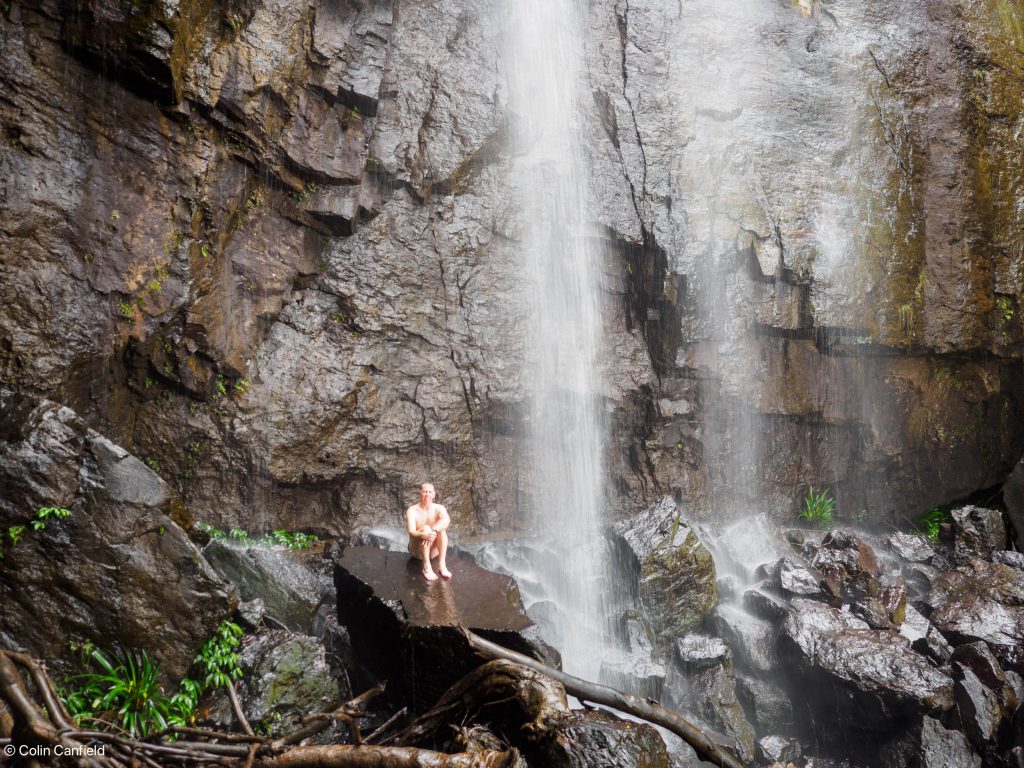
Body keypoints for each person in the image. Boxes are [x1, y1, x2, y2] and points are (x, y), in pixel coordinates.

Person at [406, 482, 452, 581]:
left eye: (429, 492)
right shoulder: (412, 510)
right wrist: (424, 534)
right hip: (417, 552)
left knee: (441, 529)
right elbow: (411, 532)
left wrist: (433, 530)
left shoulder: (439, 508)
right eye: (424, 491)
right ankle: (426, 567)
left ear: (434, 494)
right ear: (420, 493)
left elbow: (446, 520)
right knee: (426, 528)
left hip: (434, 552)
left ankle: (442, 564)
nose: (427, 494)